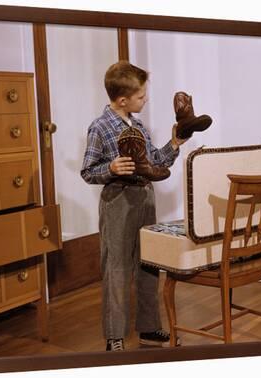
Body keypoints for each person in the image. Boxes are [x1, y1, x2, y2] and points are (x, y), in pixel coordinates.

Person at [81, 61, 189, 351]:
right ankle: (114, 335)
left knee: (148, 265)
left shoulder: (138, 126)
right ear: (123, 99)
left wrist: (175, 144)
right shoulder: (100, 127)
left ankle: (149, 328)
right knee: (116, 267)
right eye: (141, 96)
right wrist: (112, 167)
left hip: (144, 198)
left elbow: (155, 162)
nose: (146, 99)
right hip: (118, 201)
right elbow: (88, 171)